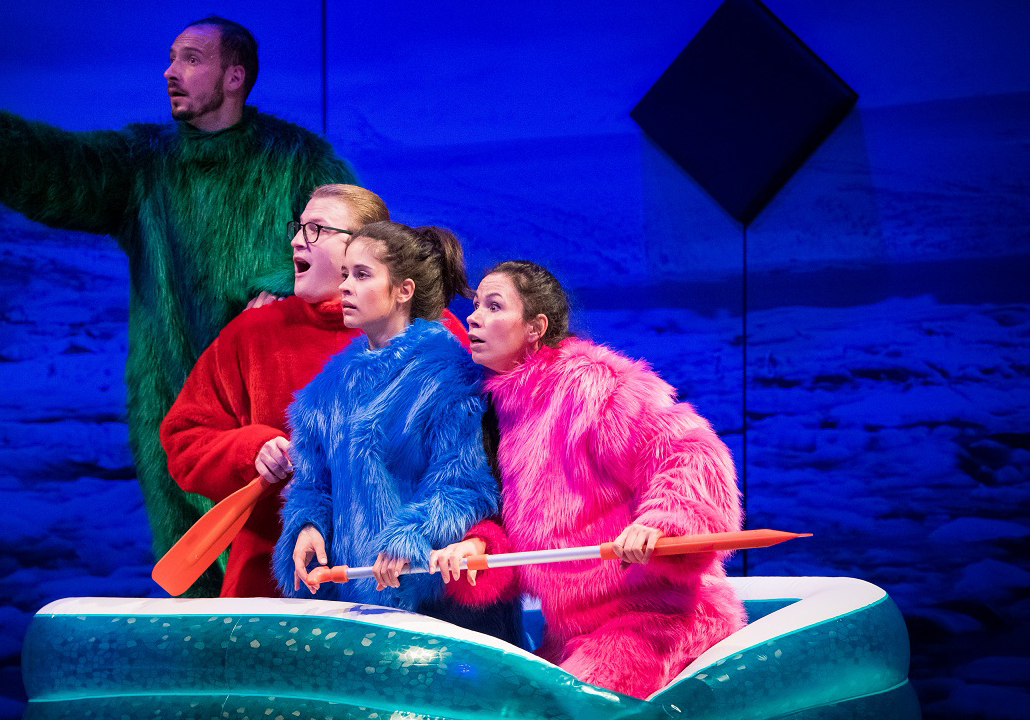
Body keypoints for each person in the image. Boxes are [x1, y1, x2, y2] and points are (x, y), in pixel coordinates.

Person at [0, 16, 355, 595]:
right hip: (171, 395)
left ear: (234, 76)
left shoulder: (299, 160)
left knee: (281, 572)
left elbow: (356, 240)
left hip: (273, 404)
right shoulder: (144, 163)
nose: (170, 72)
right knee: (194, 577)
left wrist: (285, 282)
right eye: (171, 58)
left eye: (191, 59)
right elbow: (70, 169)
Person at [431, 260, 745, 698]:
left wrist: (662, 523)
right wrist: (480, 547)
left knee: (564, 707)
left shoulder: (591, 385)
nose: (474, 318)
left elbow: (689, 450)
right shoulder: (500, 409)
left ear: (535, 327)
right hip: (572, 636)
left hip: (654, 620)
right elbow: (525, 525)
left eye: (494, 306)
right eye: (476, 305)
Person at [160, 185, 469, 598]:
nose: (295, 241)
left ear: (364, 244)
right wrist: (251, 450)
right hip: (276, 586)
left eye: (316, 230)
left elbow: (472, 457)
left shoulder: (435, 334)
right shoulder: (251, 333)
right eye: (299, 227)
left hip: (400, 579)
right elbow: (183, 438)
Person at [271, 222, 519, 643]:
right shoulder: (325, 392)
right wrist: (309, 524)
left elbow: (466, 487)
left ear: (403, 291)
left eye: (361, 275)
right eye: (345, 274)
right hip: (358, 604)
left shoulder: (449, 376)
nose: (345, 286)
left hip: (438, 607)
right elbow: (314, 485)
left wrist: (412, 536)